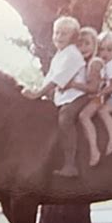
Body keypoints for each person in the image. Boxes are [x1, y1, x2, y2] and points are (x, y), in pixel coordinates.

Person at [22, 16, 89, 177]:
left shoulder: (72, 54)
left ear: (73, 37)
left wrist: (38, 94)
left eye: (64, 34)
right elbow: (49, 78)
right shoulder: (59, 55)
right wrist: (39, 93)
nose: (59, 37)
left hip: (77, 96)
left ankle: (71, 164)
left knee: (65, 118)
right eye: (56, 33)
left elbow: (58, 79)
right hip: (63, 98)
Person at [65, 27, 105, 166]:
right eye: (79, 45)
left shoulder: (94, 63)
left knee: (84, 116)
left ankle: (94, 149)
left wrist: (72, 85)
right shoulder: (81, 64)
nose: (83, 48)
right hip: (87, 97)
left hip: (96, 97)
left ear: (95, 45)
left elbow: (93, 88)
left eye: (87, 44)